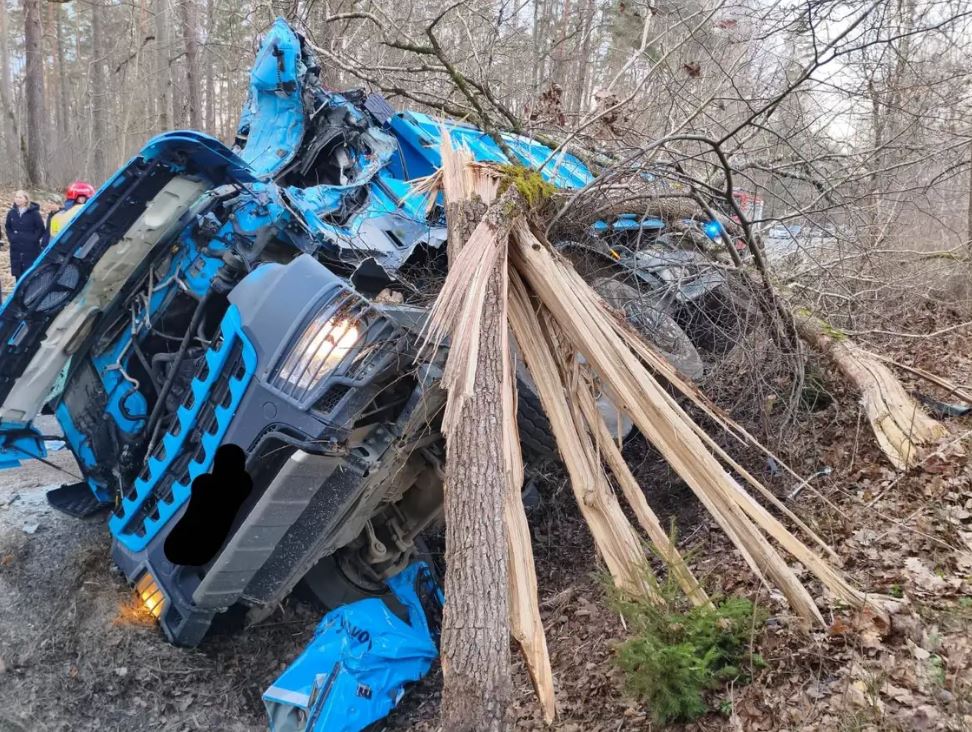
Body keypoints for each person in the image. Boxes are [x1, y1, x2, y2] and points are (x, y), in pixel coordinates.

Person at [4, 190, 47, 280]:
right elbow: (8, 227)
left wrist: (33, 239)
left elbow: (40, 228)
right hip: (16, 248)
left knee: (30, 275)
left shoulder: (34, 213)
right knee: (18, 275)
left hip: (31, 248)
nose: (17, 199)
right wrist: (12, 238)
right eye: (16, 197)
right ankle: (19, 293)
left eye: (20, 197)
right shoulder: (11, 213)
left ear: (26, 200)